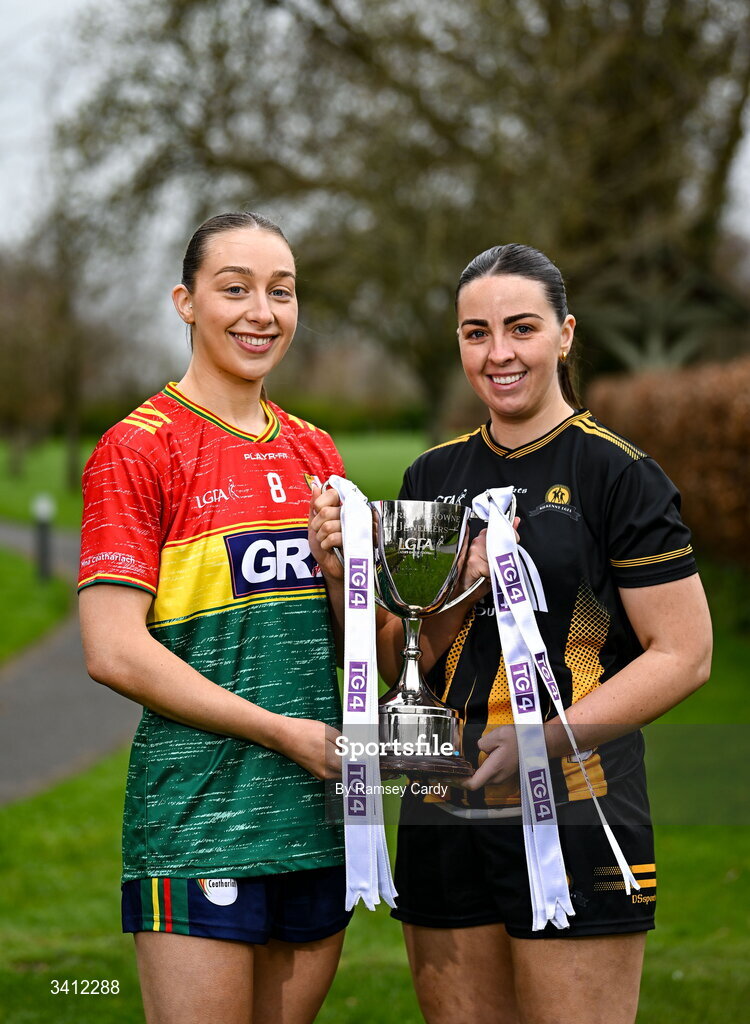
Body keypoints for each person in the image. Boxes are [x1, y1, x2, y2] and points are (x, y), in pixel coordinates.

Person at [311, 243, 712, 1024]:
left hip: (576, 806)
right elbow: (405, 662)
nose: (499, 354)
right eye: (475, 333)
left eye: (521, 328)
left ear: (564, 334)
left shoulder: (617, 474)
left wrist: (544, 743)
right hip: (441, 812)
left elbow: (686, 654)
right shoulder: (432, 476)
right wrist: (349, 575)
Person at [78, 212, 352, 1024]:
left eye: (281, 291)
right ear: (186, 301)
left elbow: (359, 649)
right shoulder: (138, 449)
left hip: (316, 820)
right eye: (234, 289)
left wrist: (344, 577)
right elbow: (113, 651)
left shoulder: (317, 451)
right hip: (197, 823)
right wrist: (279, 730)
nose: (260, 312)